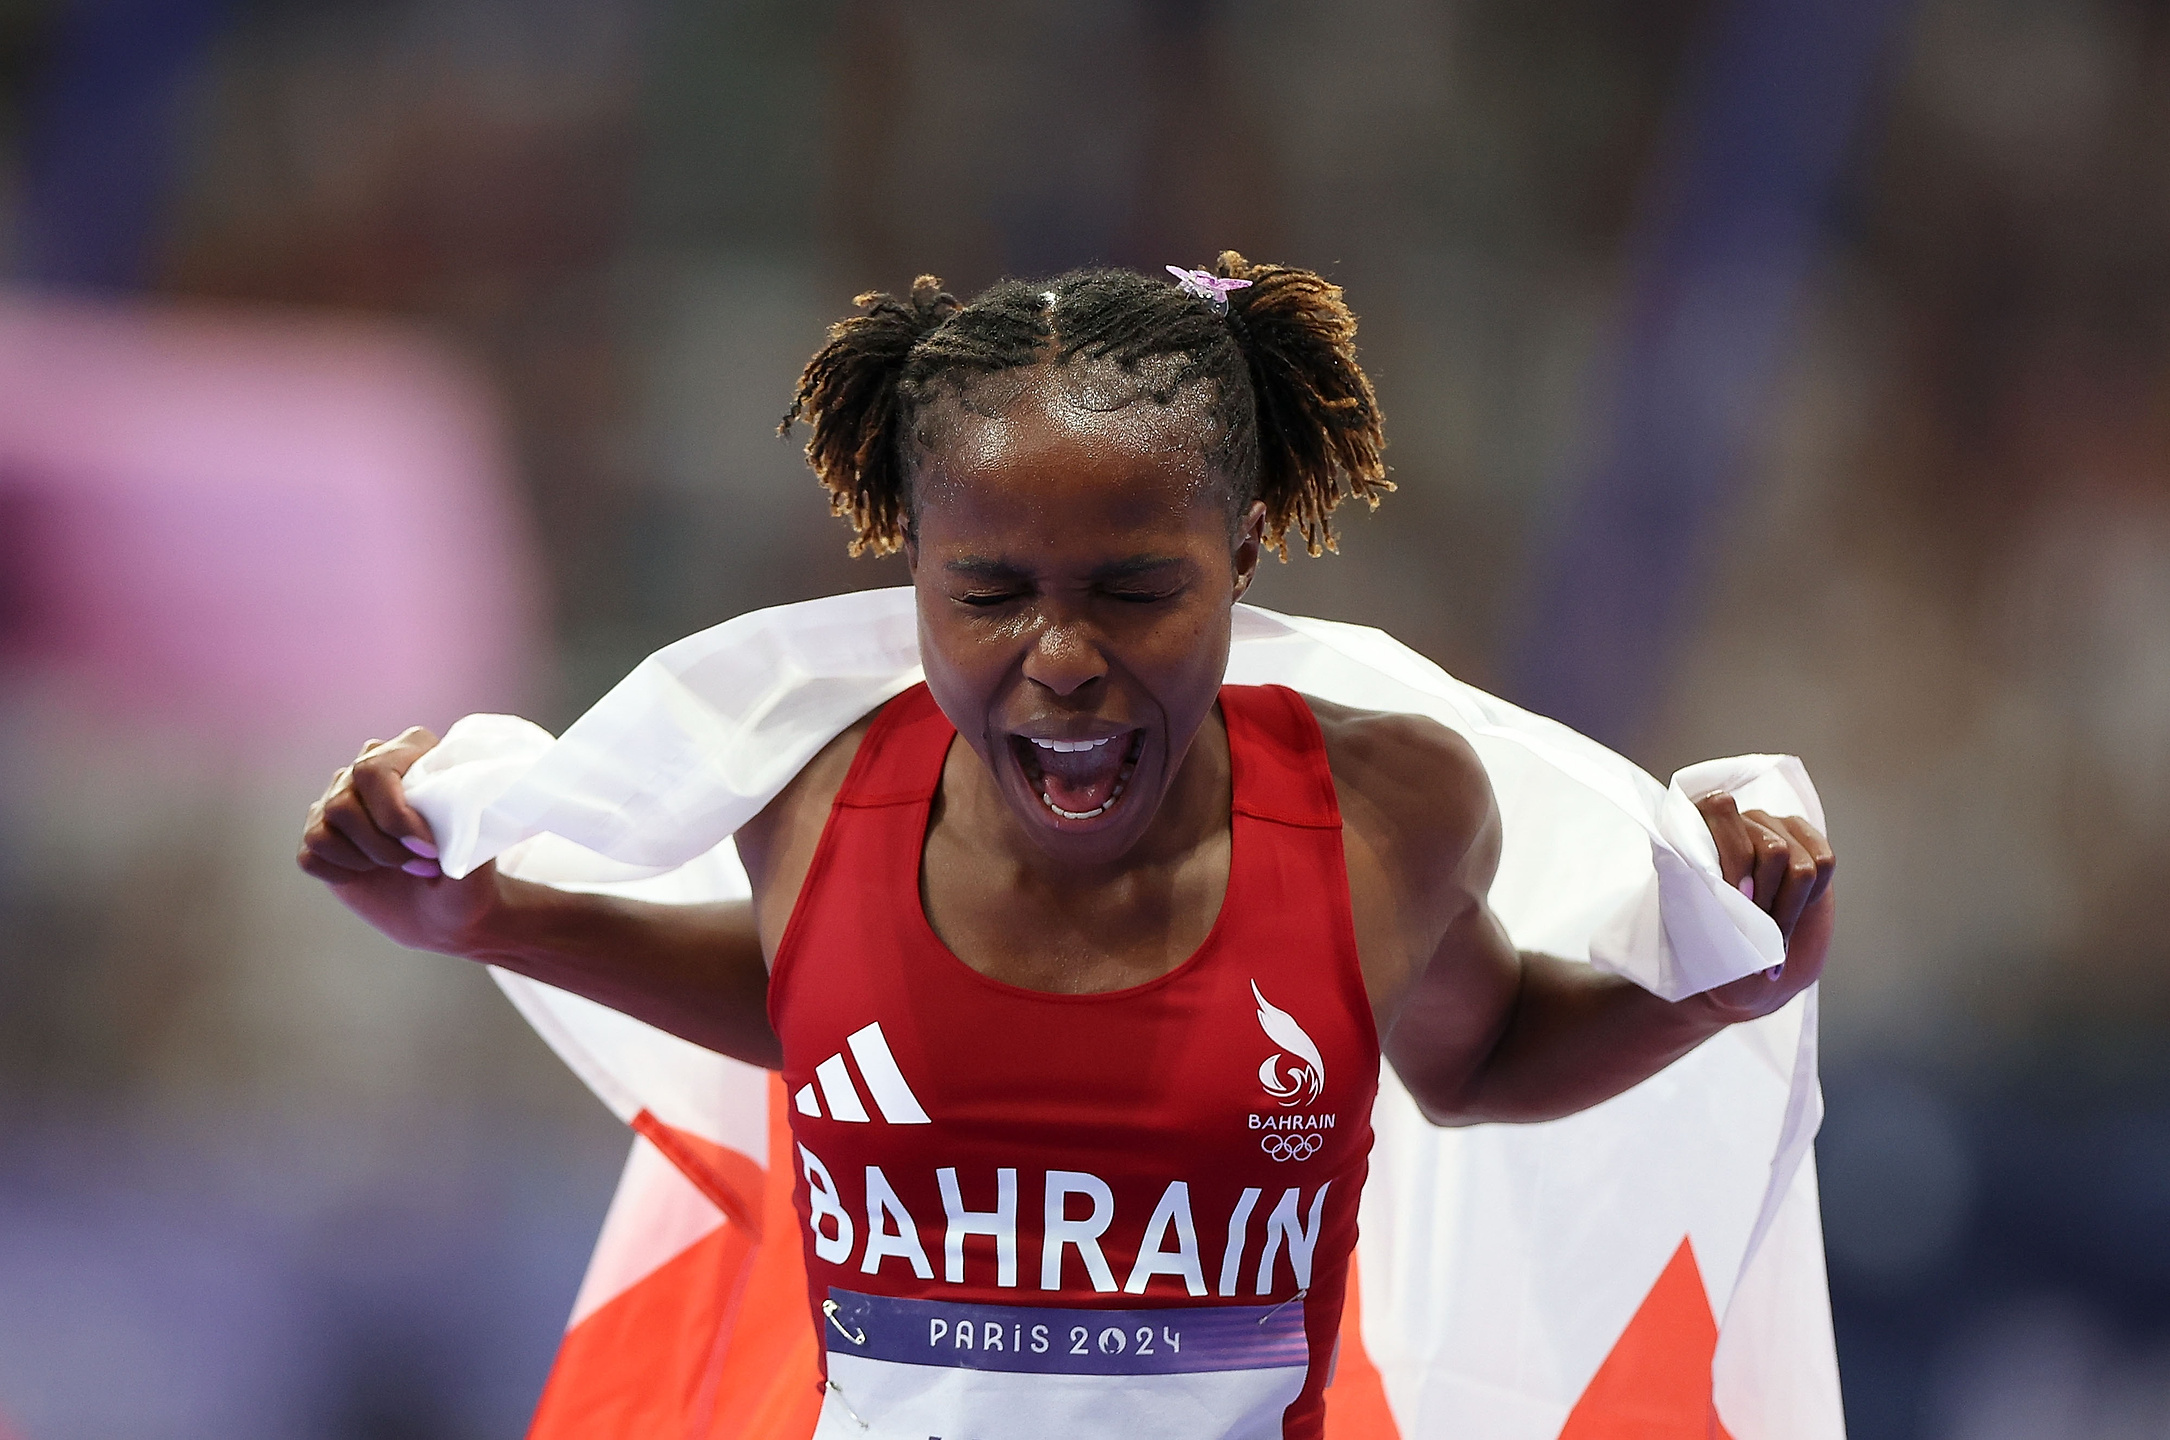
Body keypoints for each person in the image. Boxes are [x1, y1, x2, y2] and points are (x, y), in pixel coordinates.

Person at [298, 254, 1835, 1440]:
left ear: (1240, 549)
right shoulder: (811, 796)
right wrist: (483, 918)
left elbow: (1478, 1050)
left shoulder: (1388, 817)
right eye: (987, 595)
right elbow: (824, 1007)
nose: (1061, 657)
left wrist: (1715, 991)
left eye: (1131, 588)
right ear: (909, 557)